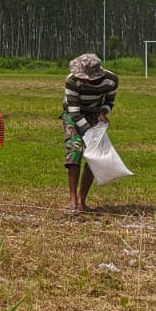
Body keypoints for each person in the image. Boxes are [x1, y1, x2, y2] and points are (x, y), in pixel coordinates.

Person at [62, 52, 119, 213]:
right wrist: (88, 132)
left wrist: (103, 112)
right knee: (75, 149)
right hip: (74, 115)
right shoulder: (72, 80)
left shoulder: (111, 80)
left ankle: (82, 200)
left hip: (95, 115)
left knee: (94, 155)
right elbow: (74, 112)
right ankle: (72, 199)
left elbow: (109, 102)